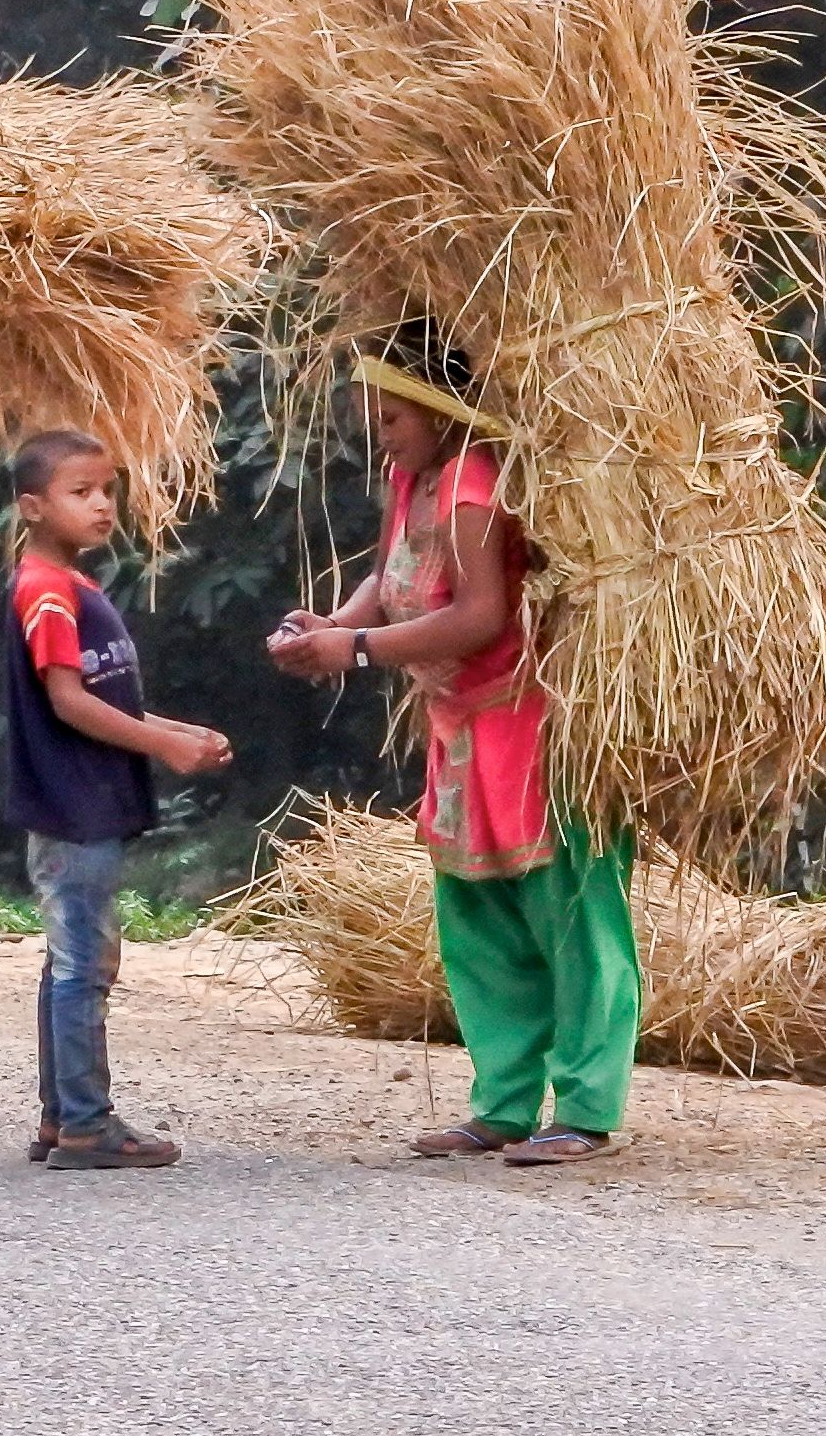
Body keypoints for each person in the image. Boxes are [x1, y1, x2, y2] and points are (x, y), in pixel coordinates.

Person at [267, 330, 638, 1164]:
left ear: (437, 410)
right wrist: (335, 623)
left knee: (568, 913)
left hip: (528, 721)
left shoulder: (474, 481)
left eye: (393, 415)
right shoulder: (416, 476)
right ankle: (502, 1101)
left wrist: (356, 652)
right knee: (477, 917)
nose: (382, 432)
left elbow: (482, 614)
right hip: (458, 723)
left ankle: (584, 1105)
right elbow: (390, 571)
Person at [2, 429, 234, 1170]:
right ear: (32, 507)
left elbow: (113, 696)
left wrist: (176, 730)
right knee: (82, 960)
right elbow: (67, 701)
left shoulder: (76, 586)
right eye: (80, 492)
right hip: (73, 804)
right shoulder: (45, 590)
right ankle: (85, 1121)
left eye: (107, 489)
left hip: (86, 799)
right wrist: (162, 747)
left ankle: (60, 1113)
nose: (102, 504)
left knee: (75, 955)